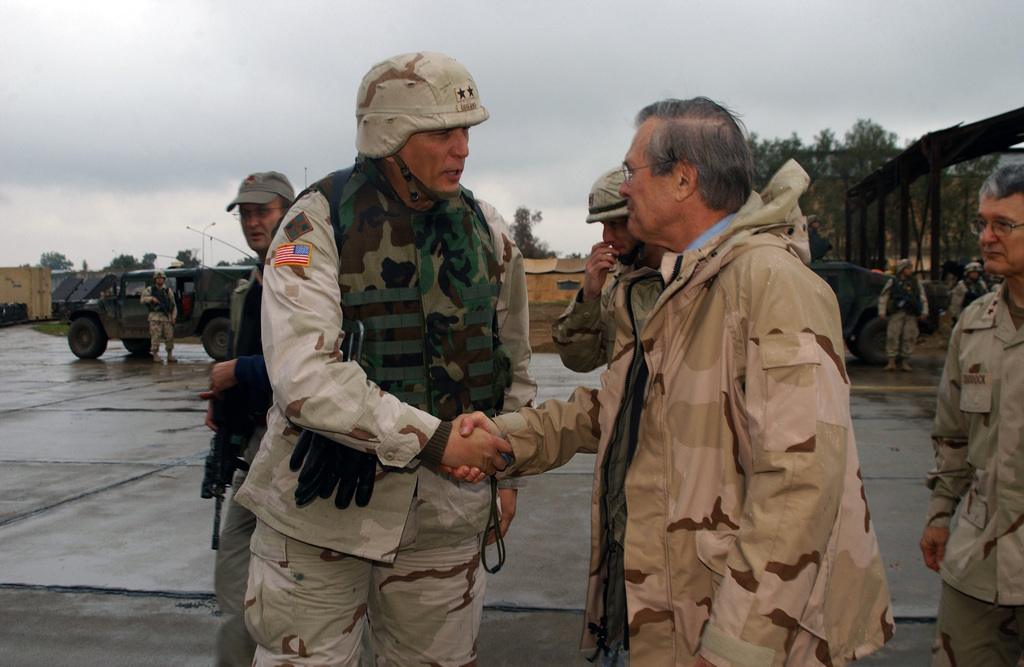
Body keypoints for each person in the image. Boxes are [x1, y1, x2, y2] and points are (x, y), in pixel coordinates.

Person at [454, 98, 893, 665]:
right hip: (663, 607)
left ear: (683, 179)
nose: (626, 189)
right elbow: (611, 407)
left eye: (633, 172)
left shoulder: (770, 284)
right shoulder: (678, 285)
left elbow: (799, 483)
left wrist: (738, 646)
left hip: (736, 630)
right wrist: (501, 437)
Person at [233, 52, 535, 666]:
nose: (463, 149)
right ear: (391, 136)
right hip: (322, 512)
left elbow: (515, 364)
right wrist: (435, 439)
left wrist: (509, 470)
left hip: (447, 517)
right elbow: (304, 376)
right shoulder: (312, 225)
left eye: (468, 132)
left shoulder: (489, 232)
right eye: (444, 133)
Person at [919, 163, 1024, 667]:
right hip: (978, 558)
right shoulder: (974, 323)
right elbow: (953, 433)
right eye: (983, 224)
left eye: (1003, 225)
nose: (987, 238)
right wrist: (941, 514)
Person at [199, 171, 294, 667]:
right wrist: (226, 400)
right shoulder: (253, 281)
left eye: (265, 211)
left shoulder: (298, 269)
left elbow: (305, 363)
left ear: (289, 213)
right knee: (239, 574)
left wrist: (236, 371)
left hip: (294, 451)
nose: (253, 221)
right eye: (246, 213)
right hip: (257, 446)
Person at [551, 167, 666, 372]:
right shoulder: (621, 287)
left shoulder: (689, 276)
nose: (606, 237)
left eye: (615, 224)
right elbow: (579, 360)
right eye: (603, 226)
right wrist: (589, 297)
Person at [878, 258, 928, 371]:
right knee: (892, 336)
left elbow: (922, 297)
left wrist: (924, 311)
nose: (909, 270)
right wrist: (882, 311)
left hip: (911, 314)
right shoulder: (894, 282)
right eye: (907, 268)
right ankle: (891, 361)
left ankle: (905, 361)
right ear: (901, 269)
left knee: (909, 337)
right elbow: (884, 296)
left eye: (910, 268)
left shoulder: (915, 282)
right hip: (897, 313)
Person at [140, 269, 177, 363]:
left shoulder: (168, 291)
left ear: (163, 279)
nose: (159, 280)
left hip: (166, 317)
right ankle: (155, 355)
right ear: (155, 279)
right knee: (155, 337)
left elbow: (173, 305)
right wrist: (151, 299)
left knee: (169, 337)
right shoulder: (150, 290)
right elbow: (142, 300)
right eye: (158, 278)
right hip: (155, 317)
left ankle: (169, 354)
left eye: (161, 278)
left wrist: (173, 317)